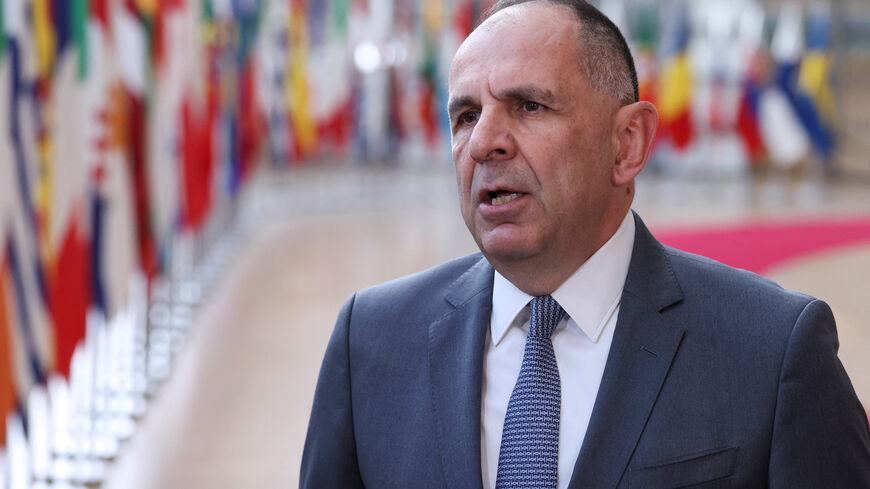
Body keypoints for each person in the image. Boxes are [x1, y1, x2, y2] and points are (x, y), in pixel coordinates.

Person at [299, 0, 870, 487]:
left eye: (529, 106)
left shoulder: (773, 351)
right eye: (467, 114)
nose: (484, 144)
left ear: (627, 144)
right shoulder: (369, 341)